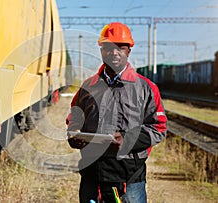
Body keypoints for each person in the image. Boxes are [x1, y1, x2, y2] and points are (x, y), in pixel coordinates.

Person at [66, 22, 167, 203]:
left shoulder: (146, 88)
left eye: (120, 47)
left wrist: (126, 139)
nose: (114, 52)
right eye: (108, 47)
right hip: (92, 175)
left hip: (129, 179)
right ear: (101, 50)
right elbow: (74, 116)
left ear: (128, 51)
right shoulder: (88, 86)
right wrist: (75, 134)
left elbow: (158, 128)